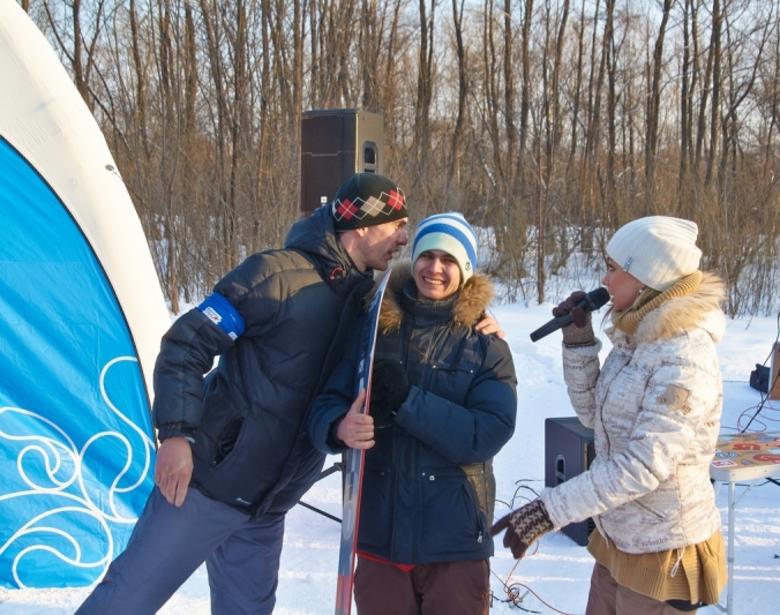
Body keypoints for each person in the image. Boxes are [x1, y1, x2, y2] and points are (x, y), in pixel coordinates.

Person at [77, 172, 411, 615]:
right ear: (363, 226)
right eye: (396, 225)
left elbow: (417, 332)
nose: (404, 237)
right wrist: (176, 435)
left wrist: (481, 329)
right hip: (205, 486)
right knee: (123, 602)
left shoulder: (366, 303)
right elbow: (186, 346)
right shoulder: (274, 276)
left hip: (267, 508)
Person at [491, 216, 728, 614]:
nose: (604, 279)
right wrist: (578, 339)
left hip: (663, 551)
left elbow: (642, 465)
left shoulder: (685, 355)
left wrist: (551, 509)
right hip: (619, 539)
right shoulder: (639, 337)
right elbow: (593, 417)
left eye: (613, 268)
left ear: (646, 278)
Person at [309, 212, 518, 615]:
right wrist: (338, 427)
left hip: (453, 543)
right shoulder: (373, 328)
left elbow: (487, 433)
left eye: (449, 259)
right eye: (428, 255)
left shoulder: (485, 345)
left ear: (465, 270)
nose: (435, 268)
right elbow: (325, 402)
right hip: (379, 536)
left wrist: (407, 401)